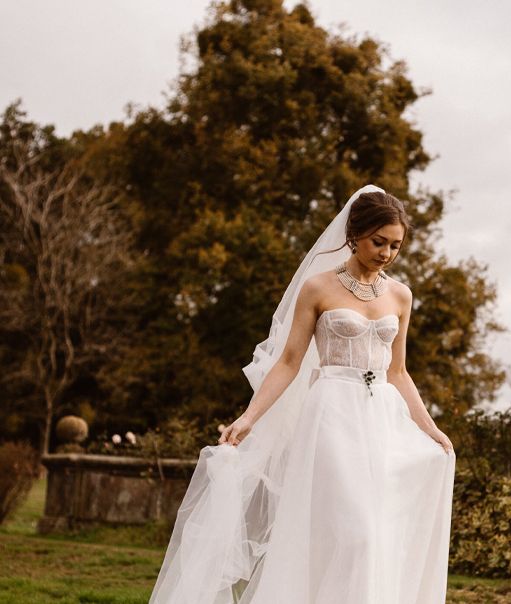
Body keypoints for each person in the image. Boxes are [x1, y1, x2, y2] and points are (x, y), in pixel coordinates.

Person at [149, 184, 456, 604]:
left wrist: (431, 428)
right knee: (355, 531)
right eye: (377, 242)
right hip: (332, 414)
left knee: (378, 533)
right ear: (354, 234)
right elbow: (290, 362)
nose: (386, 253)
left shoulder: (400, 295)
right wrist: (248, 418)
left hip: (382, 419)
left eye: (395, 246)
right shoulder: (318, 288)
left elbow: (399, 372)